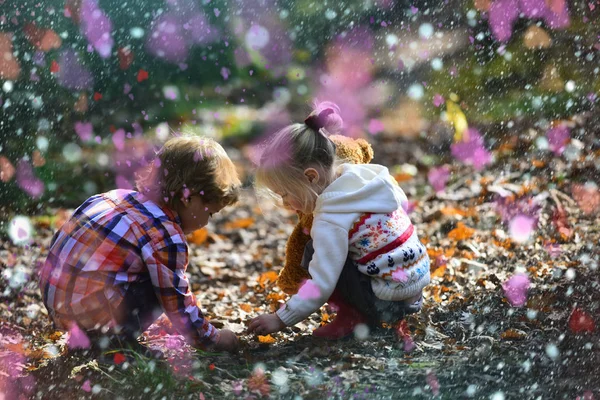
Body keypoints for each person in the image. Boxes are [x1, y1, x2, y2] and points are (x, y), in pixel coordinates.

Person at [39, 135, 241, 353]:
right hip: (93, 318)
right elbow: (177, 304)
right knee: (162, 286)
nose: (206, 222)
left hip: (57, 307)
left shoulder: (113, 197)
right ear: (187, 198)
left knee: (140, 268)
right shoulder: (165, 234)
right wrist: (214, 339)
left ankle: (90, 335)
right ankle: (110, 344)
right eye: (209, 213)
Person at [248, 102, 430, 339]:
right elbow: (402, 205)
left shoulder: (330, 218)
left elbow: (321, 284)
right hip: (416, 290)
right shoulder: (368, 177)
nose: (285, 203)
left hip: (387, 303)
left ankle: (353, 318)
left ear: (310, 177)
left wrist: (281, 318)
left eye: (285, 194)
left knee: (314, 249)